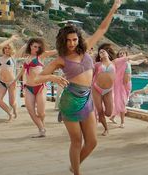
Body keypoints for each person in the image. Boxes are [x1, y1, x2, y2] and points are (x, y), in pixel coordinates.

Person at [35, 1, 122, 174]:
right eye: (68, 40)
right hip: (70, 100)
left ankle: (74, 165)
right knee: (76, 141)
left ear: (79, 39)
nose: (72, 43)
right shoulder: (60, 59)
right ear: (63, 41)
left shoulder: (86, 48)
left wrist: (113, 9)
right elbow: (37, 78)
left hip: (87, 98)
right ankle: (77, 172)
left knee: (92, 142)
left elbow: (102, 29)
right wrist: (52, 77)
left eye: (74, 39)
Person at [13, 38, 58, 138]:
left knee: (41, 113)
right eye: (34, 46)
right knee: (31, 111)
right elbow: (21, 69)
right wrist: (14, 80)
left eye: (39, 47)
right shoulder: (27, 57)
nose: (37, 49)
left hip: (40, 87)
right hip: (28, 87)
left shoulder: (41, 56)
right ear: (30, 46)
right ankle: (41, 129)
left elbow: (56, 51)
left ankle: (42, 126)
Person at [109, 50, 143, 127]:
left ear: (126, 54)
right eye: (120, 53)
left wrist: (143, 60)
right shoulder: (117, 61)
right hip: (119, 84)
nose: (121, 54)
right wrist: (139, 54)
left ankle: (112, 117)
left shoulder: (128, 62)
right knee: (122, 102)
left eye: (123, 53)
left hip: (128, 84)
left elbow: (137, 62)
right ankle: (122, 122)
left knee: (122, 101)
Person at [0, 36, 19, 122]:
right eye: (5, 48)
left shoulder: (13, 57)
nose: (6, 49)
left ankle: (14, 109)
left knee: (12, 102)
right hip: (2, 82)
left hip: (11, 82)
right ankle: (9, 113)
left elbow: (22, 51)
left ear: (11, 49)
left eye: (8, 48)